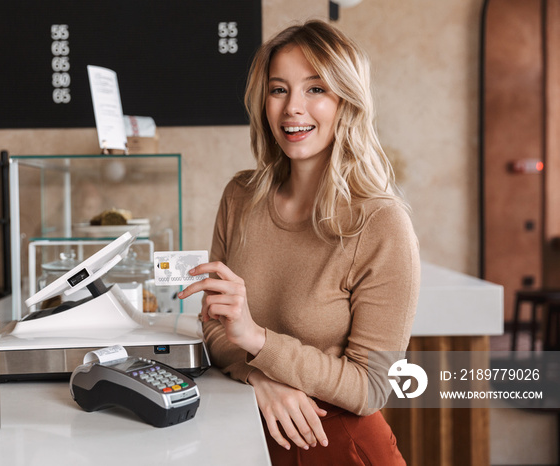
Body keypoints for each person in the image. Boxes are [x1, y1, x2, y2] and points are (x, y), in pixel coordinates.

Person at [178, 19, 420, 465]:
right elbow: (214, 326)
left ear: (345, 100)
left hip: (340, 447)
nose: (293, 108)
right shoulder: (240, 197)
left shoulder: (382, 223)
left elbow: (372, 387)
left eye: (315, 89)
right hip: (244, 438)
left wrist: (258, 341)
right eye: (278, 89)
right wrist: (258, 376)